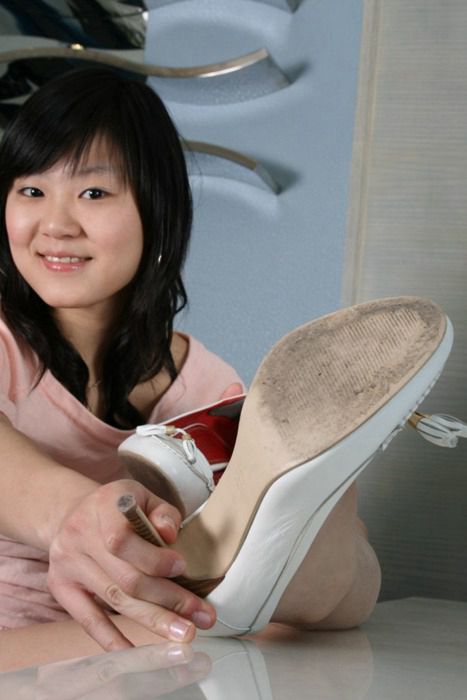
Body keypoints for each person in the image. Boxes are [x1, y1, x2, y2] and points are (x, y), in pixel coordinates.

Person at [0, 66, 383, 654]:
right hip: (32, 650)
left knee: (337, 574)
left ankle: (322, 501)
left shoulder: (206, 387)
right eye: (31, 191)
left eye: (94, 193)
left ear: (156, 213)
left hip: (144, 657)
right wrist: (79, 515)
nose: (55, 225)